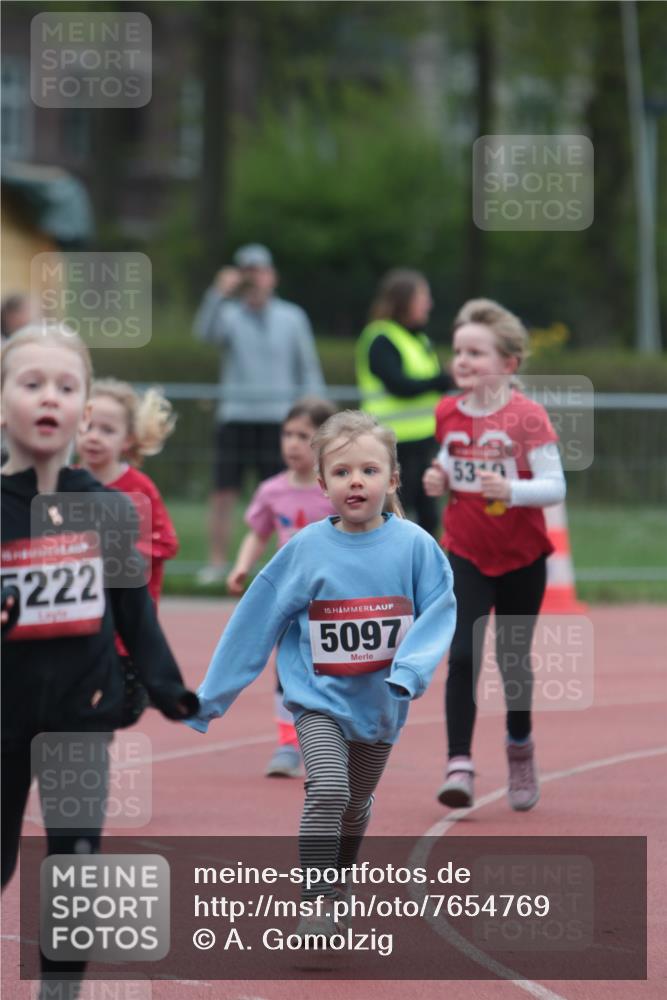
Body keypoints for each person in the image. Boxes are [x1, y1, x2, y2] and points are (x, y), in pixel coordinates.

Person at [187, 410, 456, 941]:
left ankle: (341, 883)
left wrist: (409, 670)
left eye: (369, 470)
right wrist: (210, 697)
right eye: (342, 472)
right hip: (316, 699)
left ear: (393, 479)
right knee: (328, 789)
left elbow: (440, 611)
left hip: (382, 702)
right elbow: (255, 619)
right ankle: (316, 896)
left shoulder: (417, 547)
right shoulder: (305, 550)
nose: (356, 481)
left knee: (356, 804)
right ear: (323, 484)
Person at [1, 325, 198, 994]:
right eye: (31, 384)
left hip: (80, 716)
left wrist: (168, 689)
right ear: (2, 404)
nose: (48, 397)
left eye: (65, 386)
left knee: (76, 863)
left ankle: (61, 992)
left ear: (84, 410)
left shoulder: (108, 510)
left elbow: (133, 610)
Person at [423, 298, 566, 813]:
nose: (462, 361)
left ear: (508, 364)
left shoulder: (527, 417)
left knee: (512, 661)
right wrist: (437, 477)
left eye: (476, 353)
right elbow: (448, 459)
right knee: (461, 655)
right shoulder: (447, 410)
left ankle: (520, 747)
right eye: (459, 351)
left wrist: (509, 488)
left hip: (523, 555)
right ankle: (458, 763)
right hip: (464, 550)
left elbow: (555, 486)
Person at [193, 243, 326, 583]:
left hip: (279, 420)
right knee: (224, 491)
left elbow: (307, 367)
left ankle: (282, 563)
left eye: (260, 271)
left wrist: (319, 412)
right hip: (236, 415)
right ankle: (218, 563)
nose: (255, 279)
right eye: (247, 272)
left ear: (272, 276)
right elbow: (204, 334)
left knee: (289, 488)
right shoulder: (228, 314)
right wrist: (217, 293)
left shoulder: (293, 316)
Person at [227, 396, 336, 778]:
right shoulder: (272, 490)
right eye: (287, 434)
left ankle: (335, 741)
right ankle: (288, 745)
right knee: (286, 669)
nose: (292, 443)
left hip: (333, 598)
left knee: (332, 671)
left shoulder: (335, 491)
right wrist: (242, 567)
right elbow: (257, 534)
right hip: (289, 598)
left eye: (302, 436)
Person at [356, 268, 453, 535]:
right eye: (423, 297)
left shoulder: (420, 339)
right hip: (391, 443)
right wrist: (442, 379)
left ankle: (424, 573)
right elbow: (398, 384)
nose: (429, 304)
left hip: (423, 441)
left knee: (428, 517)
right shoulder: (381, 337)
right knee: (394, 515)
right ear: (404, 300)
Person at [76, 378, 179, 606]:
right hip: (78, 606)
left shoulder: (139, 488)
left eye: (107, 430)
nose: (94, 436)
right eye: (87, 425)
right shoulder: (61, 481)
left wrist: (117, 555)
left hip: (127, 610)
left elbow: (166, 543)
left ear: (128, 439)